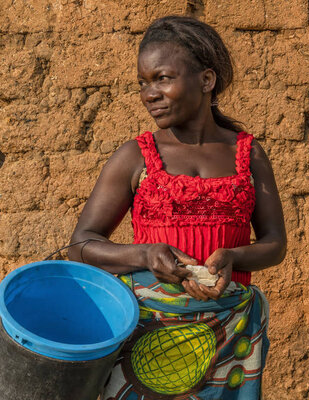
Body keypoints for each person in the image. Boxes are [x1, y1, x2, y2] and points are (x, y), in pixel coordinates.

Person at [68, 16, 286, 400]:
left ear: (206, 80)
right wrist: (146, 254)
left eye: (163, 78)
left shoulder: (247, 155)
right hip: (149, 336)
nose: (149, 93)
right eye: (143, 83)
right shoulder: (136, 156)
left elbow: (275, 244)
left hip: (228, 333)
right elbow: (81, 245)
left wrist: (234, 256)